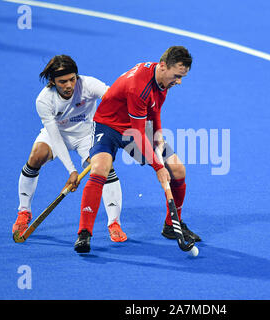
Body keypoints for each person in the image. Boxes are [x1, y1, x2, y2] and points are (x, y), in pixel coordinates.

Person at [74, 46, 201, 253]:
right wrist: (158, 167)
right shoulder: (138, 87)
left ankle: (171, 225)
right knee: (100, 169)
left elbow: (155, 109)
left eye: (182, 77)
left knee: (177, 170)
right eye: (177, 76)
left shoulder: (162, 80)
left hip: (136, 126)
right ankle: (84, 233)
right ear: (163, 66)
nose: (178, 81)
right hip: (109, 127)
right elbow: (138, 136)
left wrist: (158, 136)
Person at [12, 55, 127, 243]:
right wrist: (72, 170)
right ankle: (24, 211)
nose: (69, 85)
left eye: (72, 79)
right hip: (58, 134)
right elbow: (55, 138)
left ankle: (114, 223)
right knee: (36, 156)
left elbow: (114, 100)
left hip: (87, 135)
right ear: (52, 82)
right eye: (62, 81)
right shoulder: (44, 100)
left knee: (105, 168)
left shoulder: (88, 84)